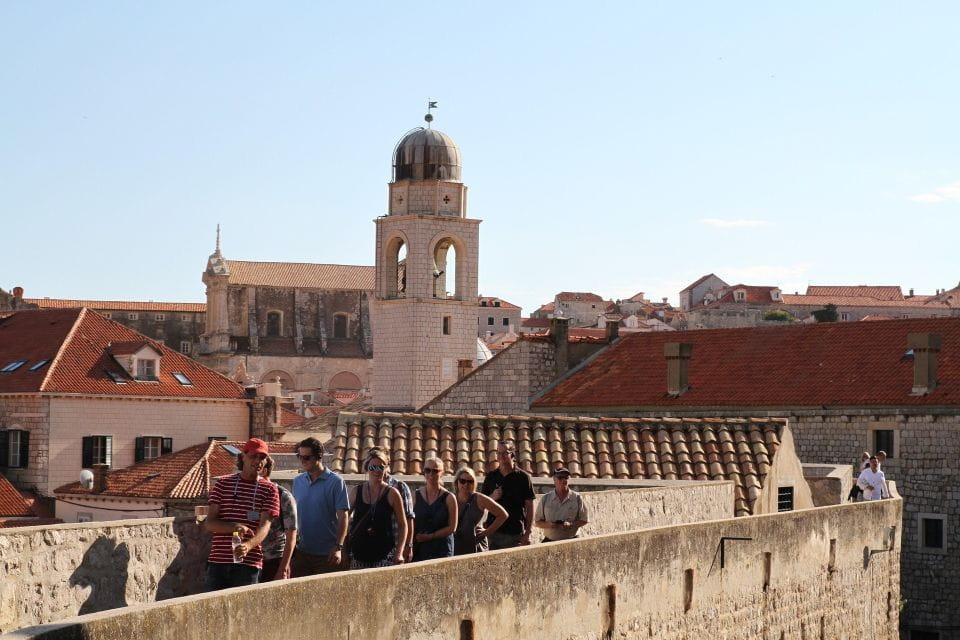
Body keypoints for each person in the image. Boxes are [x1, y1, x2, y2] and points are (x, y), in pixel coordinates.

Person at [204, 438, 280, 590]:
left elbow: (265, 527)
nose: (257, 461)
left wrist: (248, 545)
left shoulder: (270, 489)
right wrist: (234, 527)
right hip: (218, 561)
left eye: (262, 457)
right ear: (243, 457)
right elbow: (210, 523)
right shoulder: (222, 484)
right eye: (253, 456)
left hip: (249, 564)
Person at [291, 437, 350, 576]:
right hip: (301, 554)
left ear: (319, 456)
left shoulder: (336, 482)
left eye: (307, 457)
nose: (302, 461)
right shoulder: (297, 482)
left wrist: (338, 547)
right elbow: (294, 515)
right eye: (300, 456)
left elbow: (343, 517)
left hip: (327, 555)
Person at [347, 450, 407, 569]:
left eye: (380, 467)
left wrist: (399, 552)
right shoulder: (356, 491)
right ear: (366, 468)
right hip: (358, 555)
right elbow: (344, 520)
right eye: (372, 467)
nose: (376, 470)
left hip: (385, 555)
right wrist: (343, 550)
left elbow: (403, 524)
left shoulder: (393, 493)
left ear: (386, 469)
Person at [481, 442, 535, 549]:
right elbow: (482, 503)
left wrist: (528, 532)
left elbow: (530, 506)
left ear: (512, 455)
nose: (501, 456)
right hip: (493, 533)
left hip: (515, 534)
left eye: (505, 453)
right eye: (499, 453)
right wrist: (492, 497)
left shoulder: (523, 477)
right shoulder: (491, 477)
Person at [452, 466, 508, 555]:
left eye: (470, 481)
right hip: (456, 547)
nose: (466, 484)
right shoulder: (451, 499)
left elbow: (503, 515)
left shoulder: (479, 499)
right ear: (456, 482)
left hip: (476, 547)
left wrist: (487, 531)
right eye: (462, 481)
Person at [259, 455, 298, 582]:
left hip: (274, 561)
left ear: (263, 471)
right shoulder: (251, 494)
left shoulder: (283, 496)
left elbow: (291, 537)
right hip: (251, 562)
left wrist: (283, 569)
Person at [412, 456, 457, 561]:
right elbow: (409, 522)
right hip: (419, 550)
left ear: (442, 473)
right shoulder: (415, 495)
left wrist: (431, 536)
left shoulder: (449, 498)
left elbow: (452, 527)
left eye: (435, 471)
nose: (431, 474)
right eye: (427, 470)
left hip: (442, 551)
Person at [534, 467, 588, 542]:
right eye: (560, 478)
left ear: (569, 479)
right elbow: (537, 522)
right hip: (550, 541)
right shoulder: (545, 499)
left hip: (572, 540)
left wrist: (571, 524)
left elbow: (584, 520)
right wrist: (550, 525)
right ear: (554, 479)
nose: (563, 480)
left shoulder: (577, 498)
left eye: (566, 477)